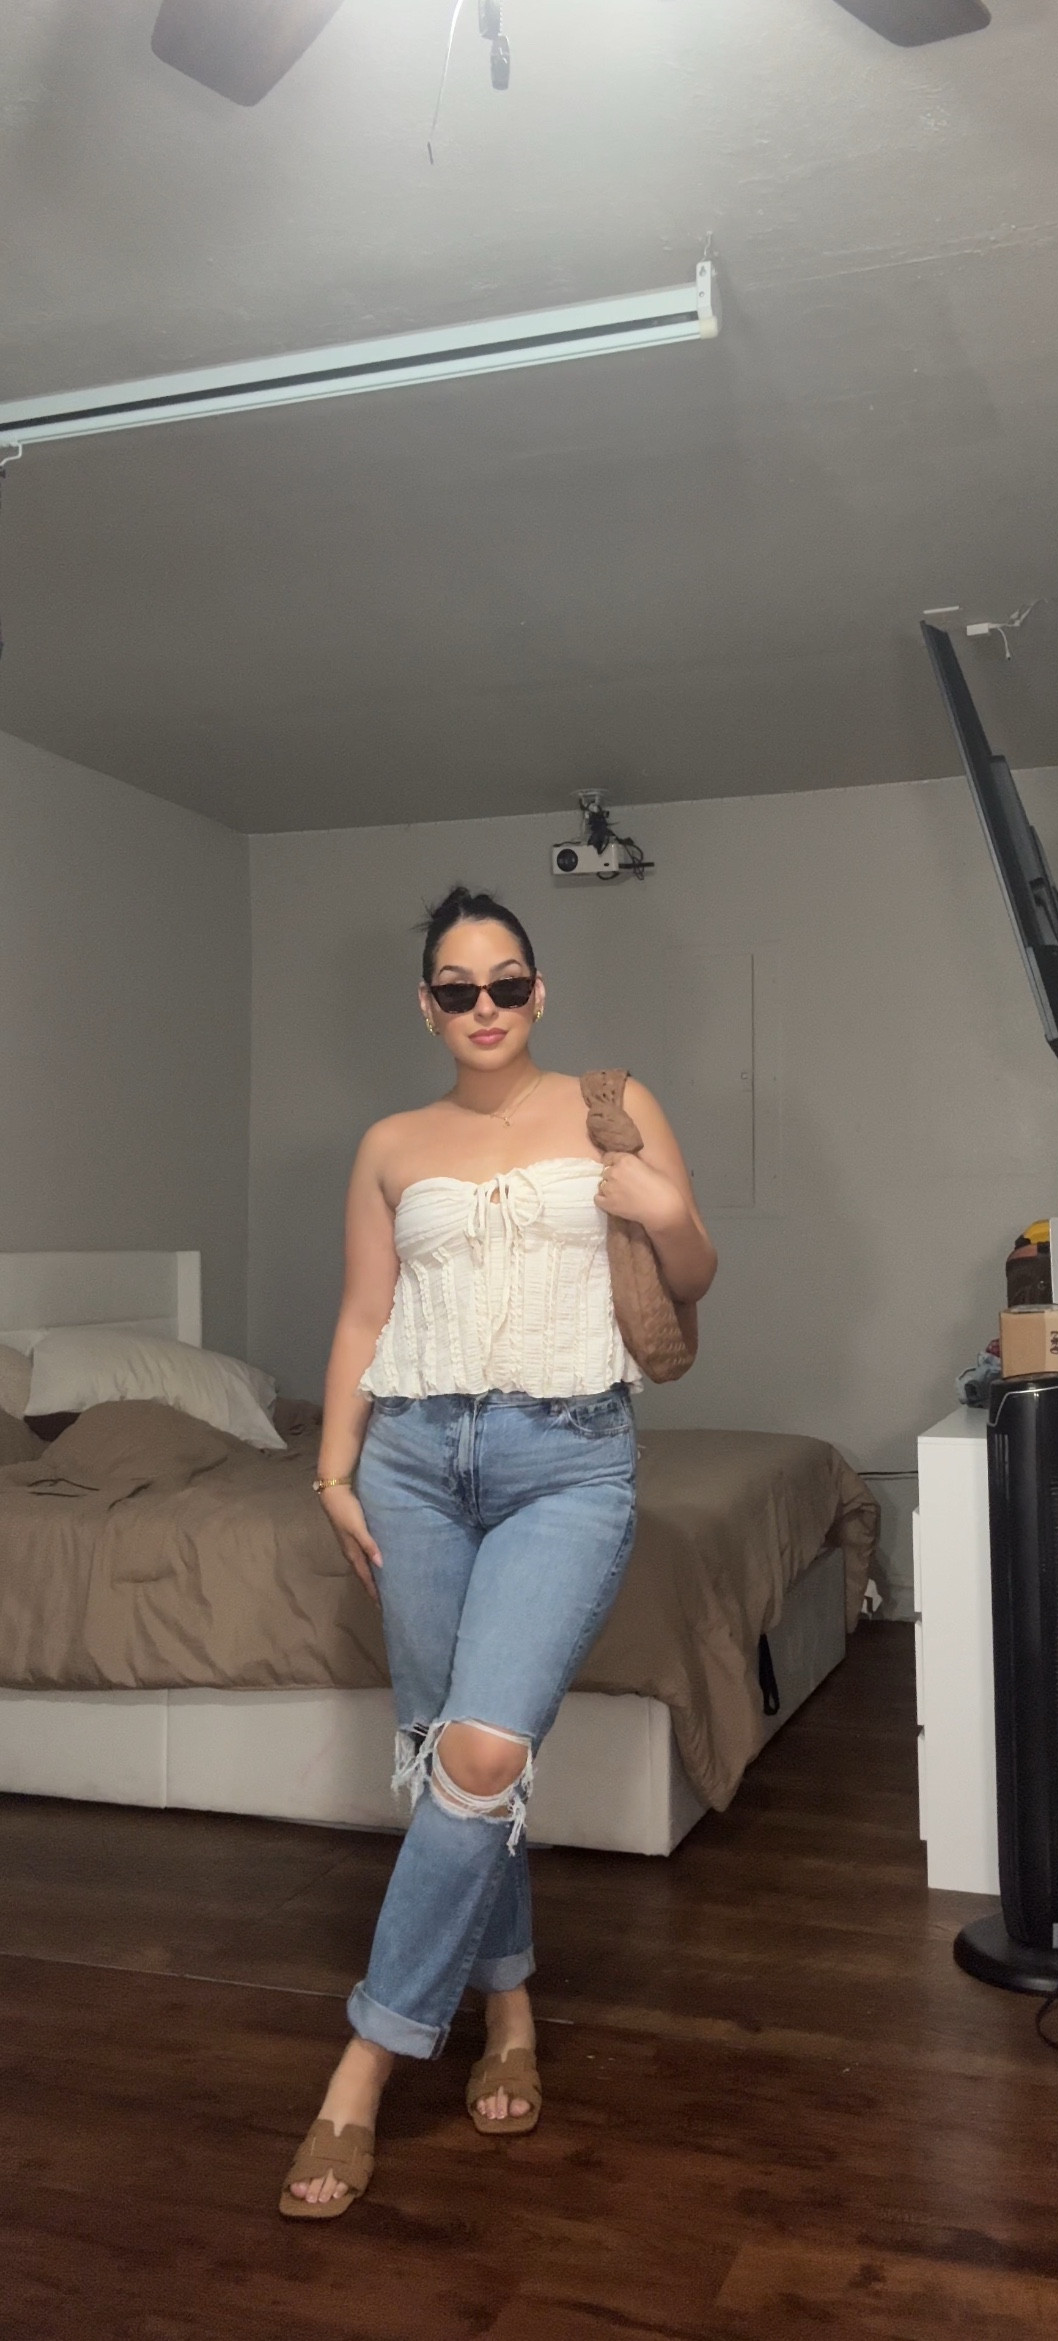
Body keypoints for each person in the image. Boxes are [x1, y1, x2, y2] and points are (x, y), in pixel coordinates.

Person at [280, 884, 717, 2217]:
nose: (486, 1006)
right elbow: (363, 1316)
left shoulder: (609, 1106)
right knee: (456, 1760)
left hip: (567, 1462)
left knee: (478, 1755)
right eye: (459, 988)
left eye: (508, 981)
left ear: (540, 991)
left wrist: (659, 1204)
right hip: (412, 1466)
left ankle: (364, 2064)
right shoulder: (389, 1144)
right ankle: (510, 2008)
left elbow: (691, 1276)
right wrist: (333, 1470)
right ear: (428, 1005)